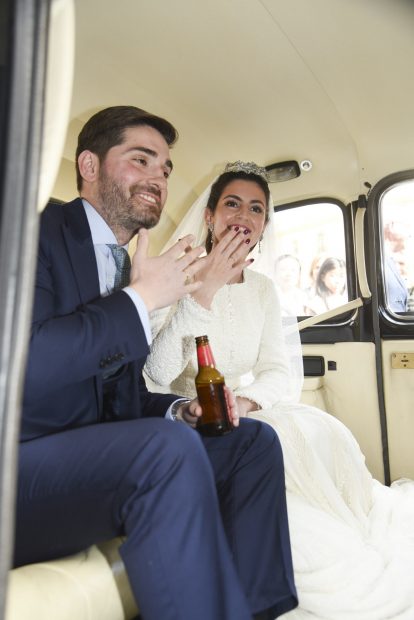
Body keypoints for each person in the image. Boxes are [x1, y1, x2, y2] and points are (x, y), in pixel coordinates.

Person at [15, 109, 298, 620]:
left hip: (103, 457)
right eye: (140, 160)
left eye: (166, 168)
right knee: (162, 453)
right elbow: (25, 366)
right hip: (23, 464)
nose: (158, 178)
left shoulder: (133, 262)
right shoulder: (31, 232)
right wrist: (142, 299)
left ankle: (257, 611)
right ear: (89, 164)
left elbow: (121, 397)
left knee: (252, 443)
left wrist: (178, 411)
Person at [145, 161, 414, 619]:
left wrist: (246, 403)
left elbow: (276, 369)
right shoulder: (174, 273)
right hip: (189, 416)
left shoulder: (264, 291)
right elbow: (155, 374)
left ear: (264, 225)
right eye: (232, 204)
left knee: (323, 433)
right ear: (209, 216)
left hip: (247, 411)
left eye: (256, 209)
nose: (243, 217)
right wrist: (203, 292)